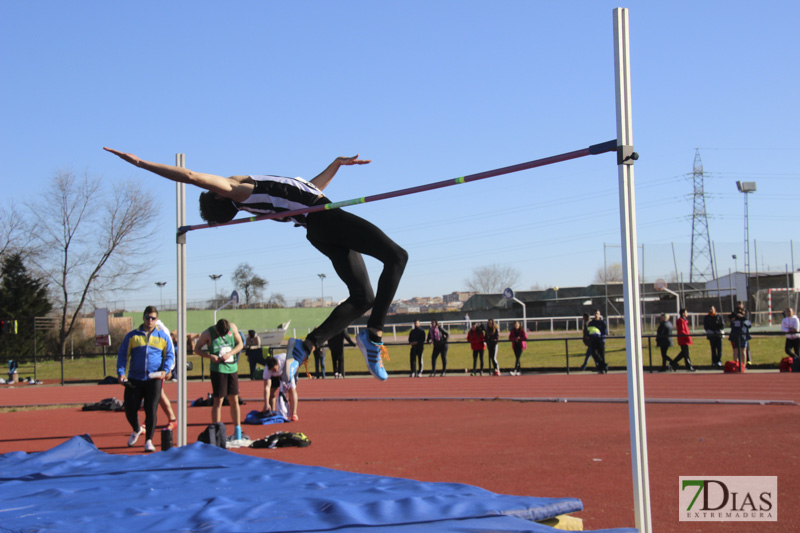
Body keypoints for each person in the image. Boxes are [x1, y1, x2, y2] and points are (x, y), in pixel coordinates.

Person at [105, 148, 408, 384]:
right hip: (326, 221)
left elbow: (310, 190)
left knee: (363, 297)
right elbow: (191, 175)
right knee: (397, 257)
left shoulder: (259, 192)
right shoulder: (239, 190)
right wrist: (141, 163)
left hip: (318, 228)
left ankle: (307, 345)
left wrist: (335, 165)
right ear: (220, 194)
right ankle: (374, 335)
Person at [117, 306, 175, 453]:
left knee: (151, 410)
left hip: (153, 379)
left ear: (157, 320)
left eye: (153, 318)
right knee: (130, 409)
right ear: (143, 318)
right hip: (135, 379)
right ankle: (137, 429)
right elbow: (123, 355)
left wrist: (165, 370)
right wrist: (121, 373)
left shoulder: (163, 336)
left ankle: (148, 440)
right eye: (148, 317)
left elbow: (169, 355)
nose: (150, 321)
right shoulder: (132, 336)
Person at [194, 318, 245, 440]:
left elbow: (240, 344)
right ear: (217, 330)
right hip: (218, 370)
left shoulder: (232, 328)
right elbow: (196, 349)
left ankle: (237, 429)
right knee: (218, 400)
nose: (223, 337)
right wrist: (209, 356)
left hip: (232, 368)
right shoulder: (207, 334)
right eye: (221, 335)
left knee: (234, 399)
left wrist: (231, 353)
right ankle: (216, 431)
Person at [262, 354, 298, 421]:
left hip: (289, 370)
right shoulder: (267, 370)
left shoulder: (285, 359)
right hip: (275, 377)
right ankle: (272, 411)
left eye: (274, 369)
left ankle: (294, 413)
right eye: (272, 370)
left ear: (278, 364)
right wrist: (266, 403)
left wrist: (287, 378)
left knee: (291, 389)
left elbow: (296, 364)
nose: (273, 371)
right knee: (271, 392)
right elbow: (267, 387)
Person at [729, 302, 751, 371]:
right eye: (738, 304)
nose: (739, 305)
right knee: (735, 351)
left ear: (743, 305)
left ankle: (743, 366)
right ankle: (736, 365)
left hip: (743, 334)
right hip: (734, 334)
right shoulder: (734, 313)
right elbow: (731, 320)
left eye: (740, 304)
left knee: (743, 351)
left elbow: (747, 321)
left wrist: (742, 317)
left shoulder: (746, 312)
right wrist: (735, 316)